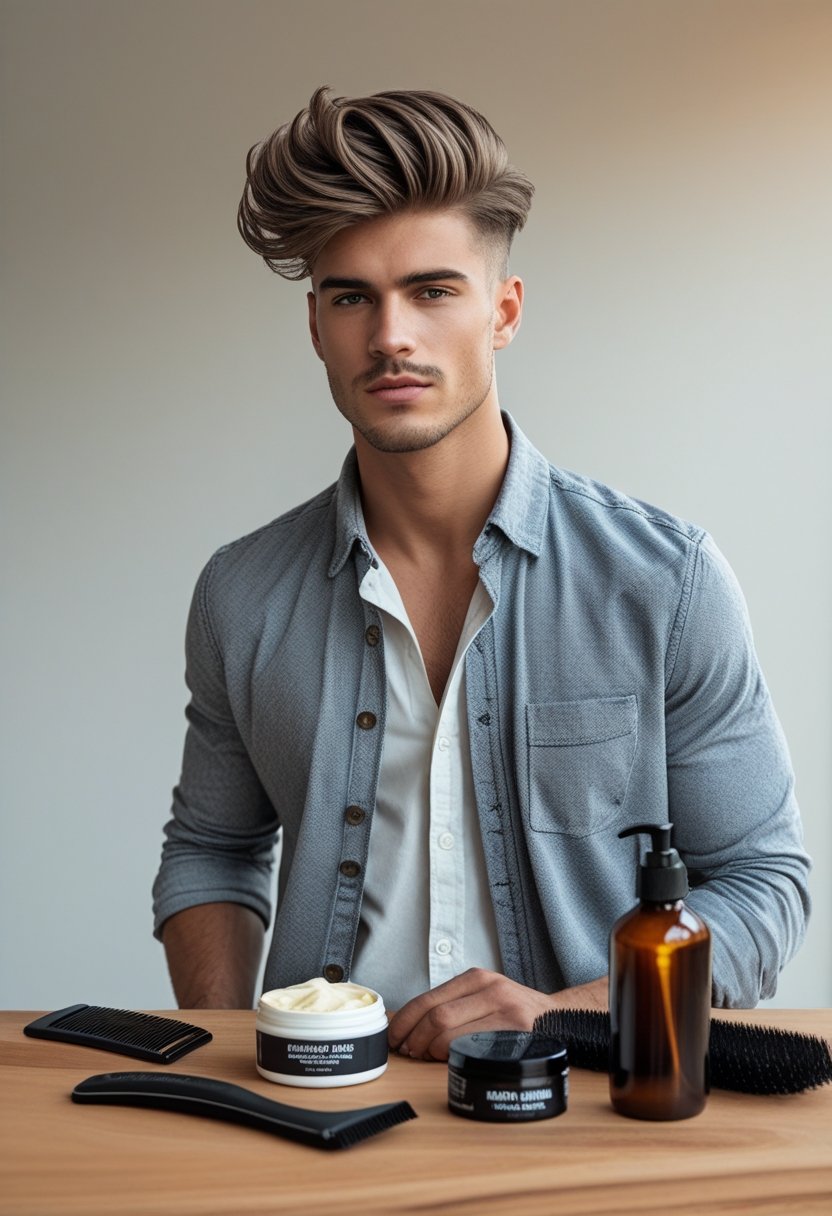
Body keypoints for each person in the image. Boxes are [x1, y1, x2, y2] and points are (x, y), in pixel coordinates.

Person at [153, 86, 810, 1062]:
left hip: (578, 1102)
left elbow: (761, 885)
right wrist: (228, 1040)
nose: (390, 337)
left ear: (502, 310)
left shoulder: (664, 581)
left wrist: (569, 1013)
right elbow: (211, 848)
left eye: (431, 290)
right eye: (351, 297)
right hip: (320, 1104)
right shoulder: (243, 593)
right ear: (315, 326)